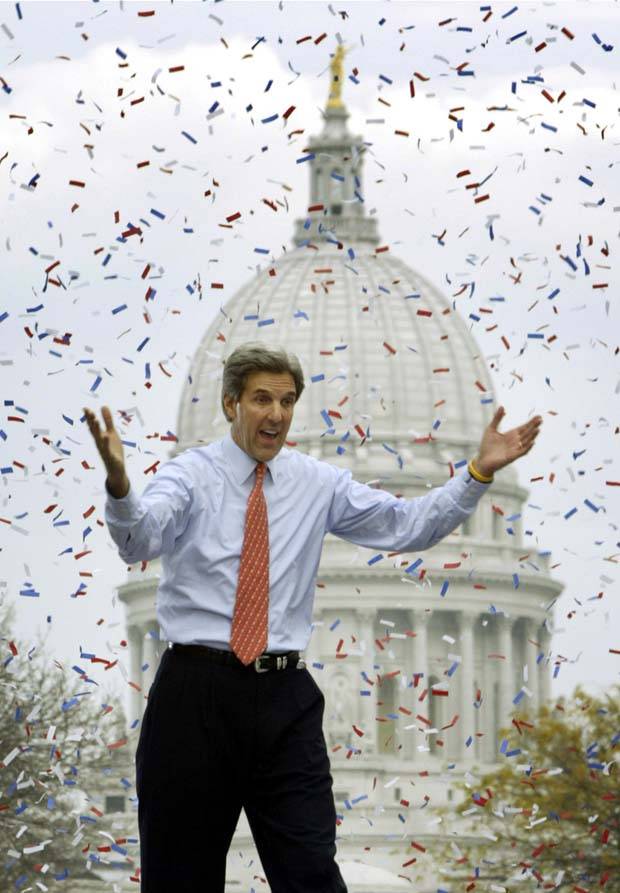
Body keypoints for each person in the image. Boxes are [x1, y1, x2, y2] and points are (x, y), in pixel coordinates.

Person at [84, 341, 542, 893]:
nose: (276, 414)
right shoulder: (189, 476)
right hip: (195, 693)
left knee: (312, 876)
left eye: (287, 401)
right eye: (262, 399)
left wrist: (477, 472)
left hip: (283, 694)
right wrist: (120, 486)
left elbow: (408, 525)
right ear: (230, 404)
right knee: (179, 881)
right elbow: (139, 541)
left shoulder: (316, 483)